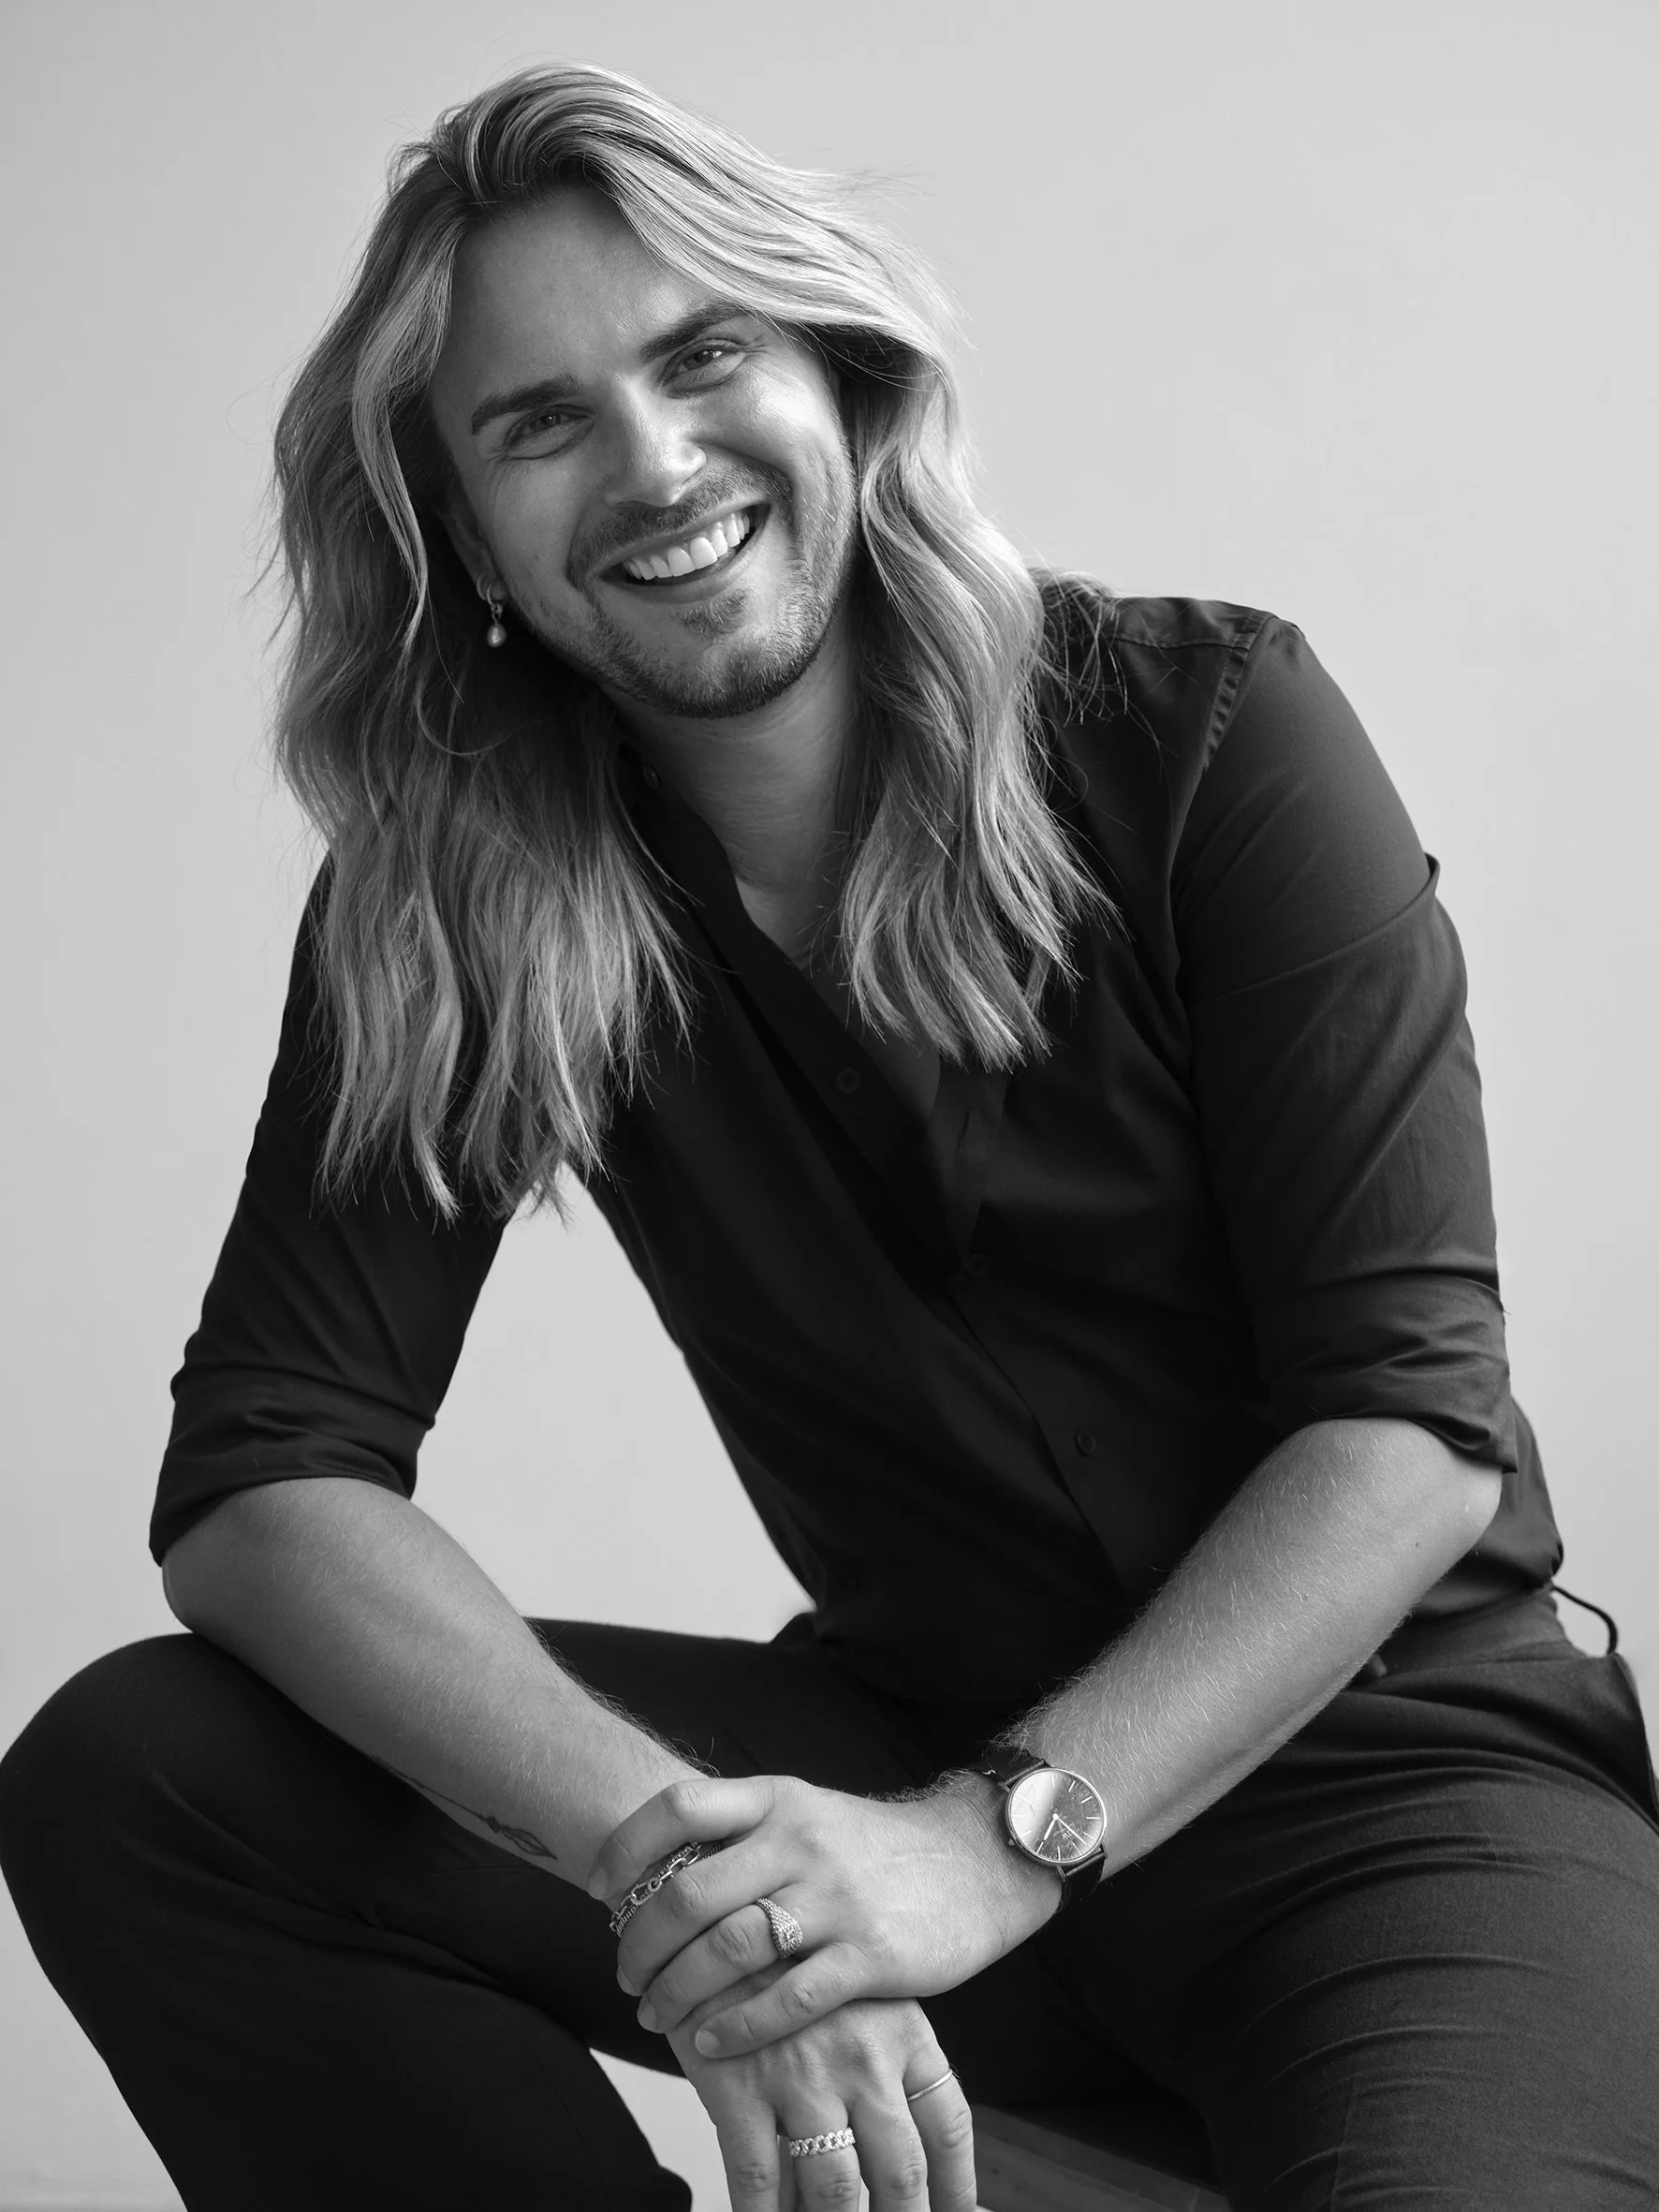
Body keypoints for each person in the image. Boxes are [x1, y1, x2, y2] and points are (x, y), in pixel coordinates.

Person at [3, 60, 1657, 2212]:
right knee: (149, 1770)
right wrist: (708, 1879)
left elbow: (1407, 1426)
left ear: (843, 382)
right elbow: (263, 1472)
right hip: (885, 1762)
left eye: (704, 358)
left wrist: (988, 1846)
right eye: (537, 420)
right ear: (462, 534)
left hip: (1400, 1799)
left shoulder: (1211, 735)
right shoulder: (460, 899)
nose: (654, 461)